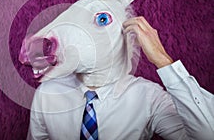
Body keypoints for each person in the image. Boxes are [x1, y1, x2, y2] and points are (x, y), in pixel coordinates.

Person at [27, 16, 214, 140]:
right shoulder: (47, 93)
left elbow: (206, 135)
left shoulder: (148, 95)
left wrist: (162, 60)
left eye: (101, 21)